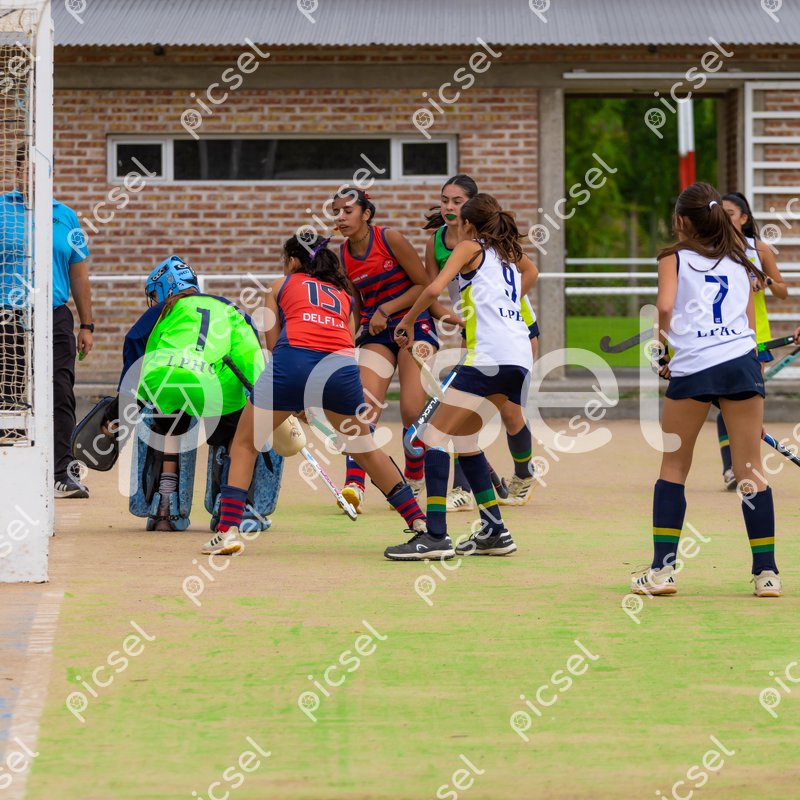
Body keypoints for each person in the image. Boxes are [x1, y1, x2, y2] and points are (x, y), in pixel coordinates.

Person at [211, 234, 433, 557]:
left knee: (245, 444)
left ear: (293, 261)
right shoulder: (344, 295)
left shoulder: (279, 286)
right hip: (341, 371)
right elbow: (347, 341)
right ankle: (420, 526)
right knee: (366, 450)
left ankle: (227, 532)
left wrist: (293, 398)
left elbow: (273, 346)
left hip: (292, 363)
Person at [631, 182, 780, 598]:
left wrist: (662, 350)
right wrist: (750, 379)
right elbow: (748, 324)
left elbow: (664, 307)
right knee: (751, 471)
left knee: (674, 468)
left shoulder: (673, 257)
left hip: (694, 367)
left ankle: (663, 571)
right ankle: (766, 574)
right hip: (741, 364)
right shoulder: (742, 257)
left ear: (681, 220)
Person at [386, 193, 537, 561]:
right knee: (466, 441)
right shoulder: (506, 252)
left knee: (430, 437)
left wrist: (407, 321)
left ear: (469, 224)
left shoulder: (470, 246)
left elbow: (433, 288)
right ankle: (495, 531)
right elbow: (530, 273)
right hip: (519, 359)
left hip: (487, 359)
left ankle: (436, 536)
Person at [104, 256, 272, 535]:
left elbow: (137, 344)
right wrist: (263, 395)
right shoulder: (229, 309)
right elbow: (250, 353)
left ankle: (166, 505)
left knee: (169, 420)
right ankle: (230, 504)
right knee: (237, 433)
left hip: (166, 378)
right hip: (214, 385)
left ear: (165, 288)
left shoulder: (165, 310)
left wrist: (121, 405)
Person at [422, 175, 540, 510]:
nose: (449, 207)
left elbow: (531, 272)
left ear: (470, 208)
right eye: (444, 200)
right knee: (464, 414)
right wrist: (458, 318)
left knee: (510, 413)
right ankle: (464, 489)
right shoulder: (437, 242)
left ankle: (523, 475)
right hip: (475, 330)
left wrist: (501, 306)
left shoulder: (494, 242)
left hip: (515, 328)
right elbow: (432, 295)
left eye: (457, 201)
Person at [333, 188, 441, 512]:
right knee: (363, 408)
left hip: (414, 324)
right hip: (377, 332)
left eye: (348, 211)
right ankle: (354, 485)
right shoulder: (343, 254)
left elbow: (424, 286)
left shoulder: (389, 238)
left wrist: (387, 309)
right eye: (336, 211)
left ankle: (413, 476)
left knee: (411, 409)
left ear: (366, 214)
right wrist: (346, 340)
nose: (340, 217)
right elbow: (356, 304)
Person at [0, 144, 93, 497]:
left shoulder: (66, 216)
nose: (33, 176)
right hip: (8, 315)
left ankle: (62, 474)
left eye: (40, 170)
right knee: (9, 392)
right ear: (17, 172)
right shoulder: (2, 209)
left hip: (54, 316)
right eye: (26, 169)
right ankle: (10, 472)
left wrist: (87, 325)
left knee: (60, 391)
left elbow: (78, 273)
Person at [715, 192, 788, 490]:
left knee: (746, 403)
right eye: (720, 213)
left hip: (756, 338)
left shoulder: (759, 249)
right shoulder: (710, 250)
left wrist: (766, 282)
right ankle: (731, 468)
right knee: (723, 402)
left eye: (729, 213)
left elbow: (782, 290)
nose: (723, 218)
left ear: (744, 218)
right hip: (721, 336)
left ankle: (746, 466)